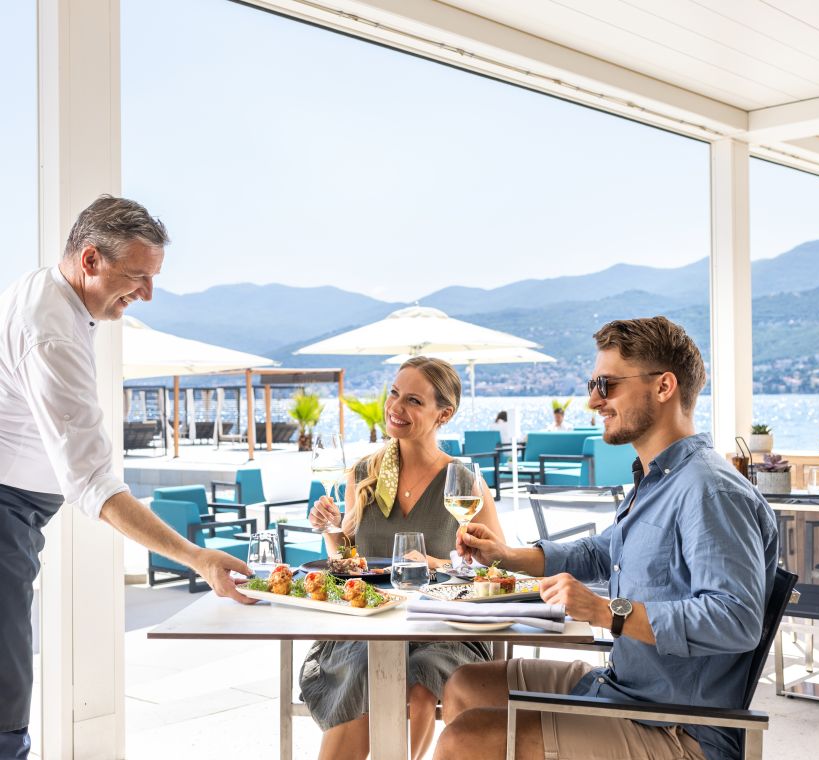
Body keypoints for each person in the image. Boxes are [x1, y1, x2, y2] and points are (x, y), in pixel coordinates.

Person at [434, 316, 778, 760]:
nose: (593, 399)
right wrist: (507, 556)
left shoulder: (709, 488)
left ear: (663, 386)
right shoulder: (659, 480)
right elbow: (601, 552)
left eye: (607, 384)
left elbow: (735, 619)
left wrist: (606, 611)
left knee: (467, 740)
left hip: (679, 726)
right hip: (625, 689)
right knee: (466, 685)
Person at [0, 196, 253, 759]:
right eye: (136, 276)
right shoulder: (52, 333)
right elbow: (93, 481)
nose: (146, 294)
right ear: (90, 259)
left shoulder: (52, 293)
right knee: (5, 697)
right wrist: (199, 558)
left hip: (18, 507)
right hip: (4, 509)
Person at [302, 356, 504, 760]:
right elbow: (350, 562)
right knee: (364, 667)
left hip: (443, 624)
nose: (396, 407)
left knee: (420, 679)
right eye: (394, 393)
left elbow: (497, 568)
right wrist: (331, 530)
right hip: (371, 620)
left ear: (443, 414)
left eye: (413, 400)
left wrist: (435, 565)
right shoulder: (365, 472)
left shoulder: (463, 480)